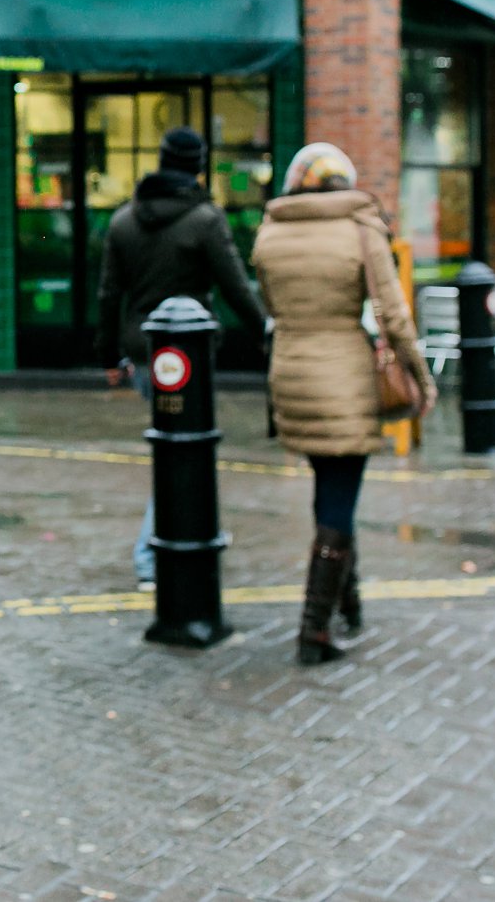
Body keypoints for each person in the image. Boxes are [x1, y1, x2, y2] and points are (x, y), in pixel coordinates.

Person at [251, 143, 436, 665]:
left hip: (289, 370)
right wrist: (421, 380)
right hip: (344, 376)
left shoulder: (271, 231)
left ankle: (346, 604)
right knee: (340, 495)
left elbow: (268, 302)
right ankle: (314, 630)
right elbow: (393, 315)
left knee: (327, 486)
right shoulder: (361, 227)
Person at [94, 126, 270, 590]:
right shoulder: (206, 220)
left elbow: (109, 294)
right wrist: (263, 334)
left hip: (142, 354)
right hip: (187, 359)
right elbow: (235, 287)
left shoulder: (122, 221)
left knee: (179, 445)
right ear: (198, 166)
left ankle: (193, 531)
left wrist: (109, 354)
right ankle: (152, 556)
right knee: (182, 450)